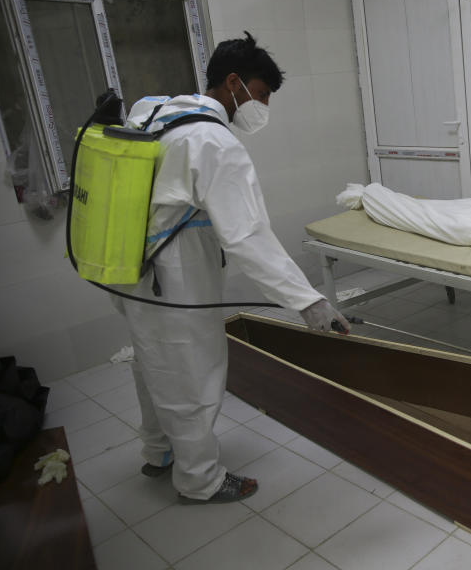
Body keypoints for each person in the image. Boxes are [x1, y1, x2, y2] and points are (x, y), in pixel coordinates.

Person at [114, 32, 350, 503]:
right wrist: (308, 301)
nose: (263, 107)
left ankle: (159, 452)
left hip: (130, 265)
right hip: (172, 274)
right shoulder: (213, 142)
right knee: (193, 369)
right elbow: (247, 237)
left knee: (153, 362)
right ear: (234, 82)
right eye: (261, 95)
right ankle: (200, 480)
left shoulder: (160, 114)